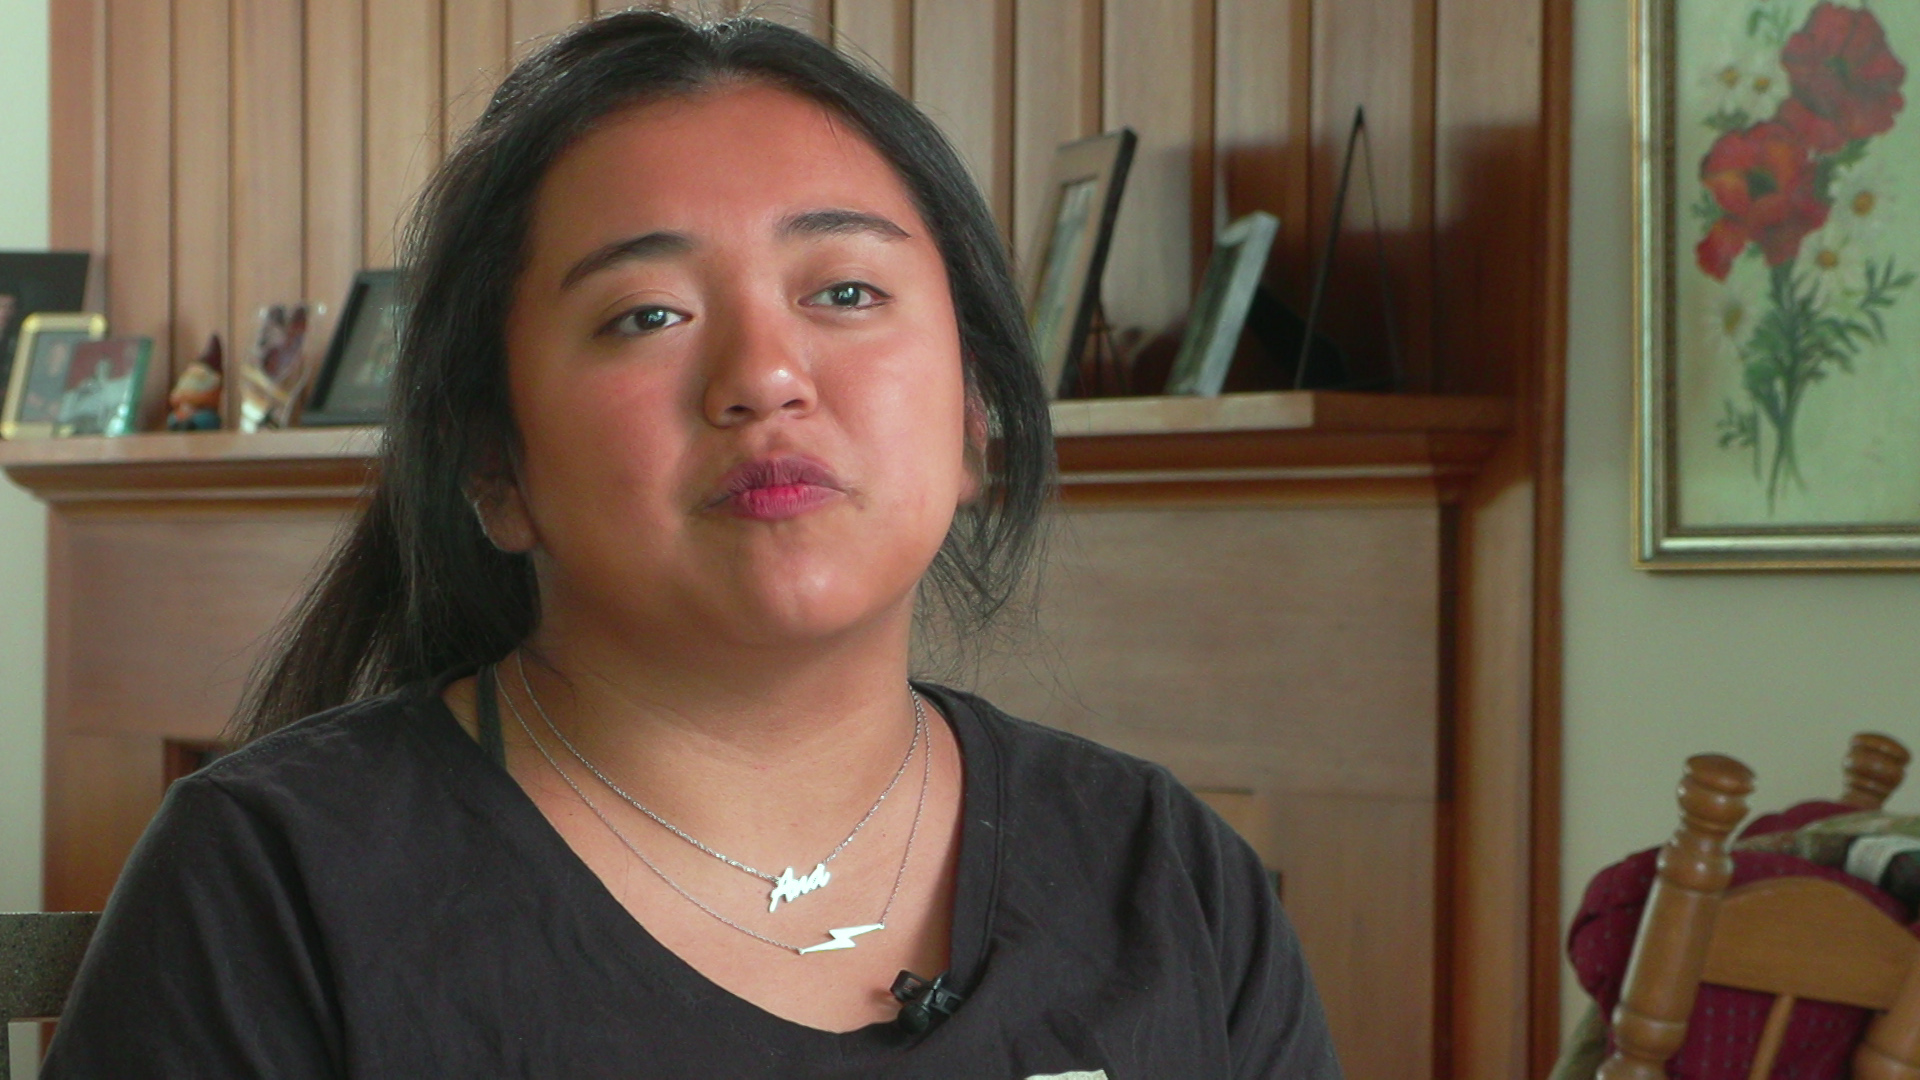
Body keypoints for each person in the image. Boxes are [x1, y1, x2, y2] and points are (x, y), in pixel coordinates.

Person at [43, 11, 1339, 1078]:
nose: (765, 375)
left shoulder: (1165, 880)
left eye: (845, 290)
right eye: (646, 314)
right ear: (496, 468)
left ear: (977, 421)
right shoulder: (275, 887)